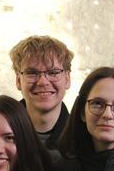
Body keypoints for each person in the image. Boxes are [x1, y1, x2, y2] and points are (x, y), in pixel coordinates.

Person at [9, 35, 74, 163]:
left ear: (67, 79)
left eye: (53, 72)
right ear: (18, 80)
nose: (43, 82)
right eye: (32, 73)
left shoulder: (85, 137)